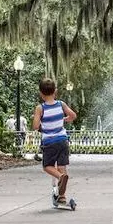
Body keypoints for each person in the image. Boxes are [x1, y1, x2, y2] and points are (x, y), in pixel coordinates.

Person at [32, 77, 77, 205]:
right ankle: (62, 196)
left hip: (49, 142)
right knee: (62, 167)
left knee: (47, 166)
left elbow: (35, 126)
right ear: (55, 91)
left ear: (41, 93)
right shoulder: (61, 104)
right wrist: (65, 119)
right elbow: (73, 115)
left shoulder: (40, 108)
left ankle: (60, 177)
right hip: (63, 140)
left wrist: (38, 120)